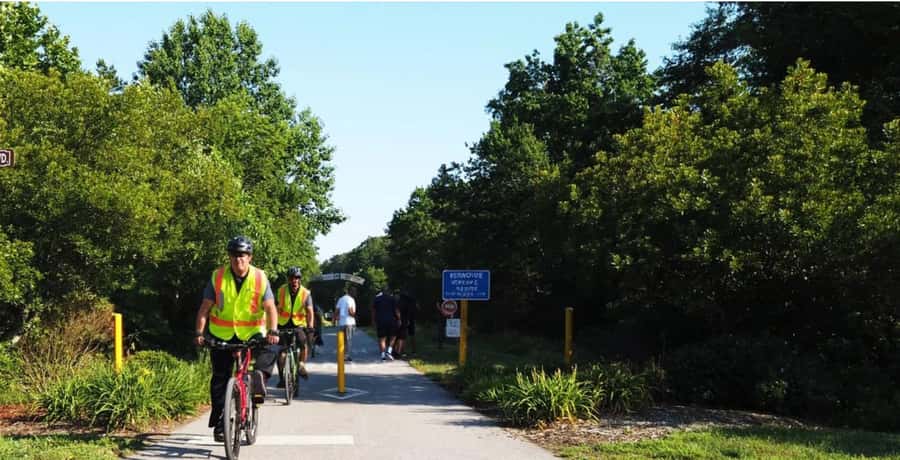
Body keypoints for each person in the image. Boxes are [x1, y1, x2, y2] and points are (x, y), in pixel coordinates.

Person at [194, 236, 279, 442]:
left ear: (249, 257)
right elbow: (205, 308)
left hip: (252, 333)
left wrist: (273, 331)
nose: (237, 259)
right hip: (221, 334)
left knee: (272, 349)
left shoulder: (260, 277)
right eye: (233, 255)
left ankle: (259, 378)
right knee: (220, 379)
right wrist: (199, 333)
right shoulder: (218, 276)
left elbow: (270, 308)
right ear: (229, 257)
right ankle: (221, 419)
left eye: (242, 255)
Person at [274, 266, 314, 387]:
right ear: (288, 279)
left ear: (300, 279)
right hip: (283, 324)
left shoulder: (305, 293)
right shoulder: (281, 291)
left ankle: (301, 364)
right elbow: (275, 309)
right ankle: (282, 378)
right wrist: (273, 326)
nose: (294, 280)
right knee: (281, 353)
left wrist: (310, 327)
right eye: (292, 278)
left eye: (297, 278)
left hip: (299, 324)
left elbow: (310, 311)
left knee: (303, 343)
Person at [371, 284, 399, 361]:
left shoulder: (377, 299)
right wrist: (399, 319)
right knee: (393, 336)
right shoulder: (392, 299)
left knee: (382, 338)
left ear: (382, 291)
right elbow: (396, 310)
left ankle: (383, 355)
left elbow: (373, 311)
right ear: (388, 291)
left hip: (380, 321)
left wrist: (373, 321)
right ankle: (389, 351)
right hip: (392, 320)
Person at [334, 285, 357, 361]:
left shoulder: (341, 299)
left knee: (342, 340)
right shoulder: (351, 299)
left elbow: (337, 310)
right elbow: (350, 311)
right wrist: (354, 315)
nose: (355, 293)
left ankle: (342, 354)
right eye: (354, 291)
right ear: (350, 291)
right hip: (349, 322)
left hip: (341, 323)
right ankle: (346, 356)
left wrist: (334, 319)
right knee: (348, 339)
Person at [394, 290, 417, 358]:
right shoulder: (412, 301)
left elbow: (397, 311)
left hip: (403, 320)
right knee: (412, 335)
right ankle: (414, 351)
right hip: (411, 319)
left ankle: (402, 352)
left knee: (401, 337)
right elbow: (416, 309)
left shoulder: (399, 302)